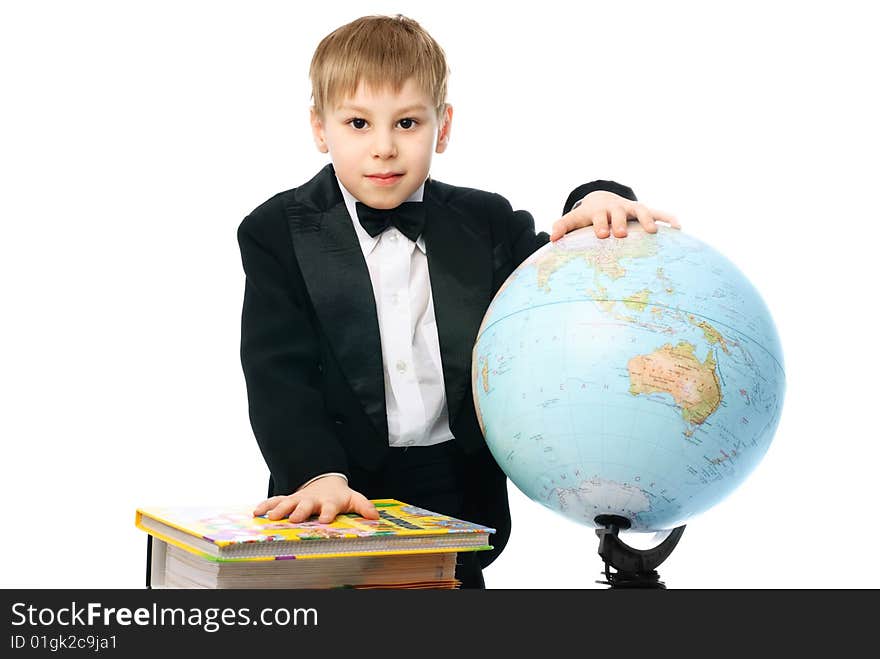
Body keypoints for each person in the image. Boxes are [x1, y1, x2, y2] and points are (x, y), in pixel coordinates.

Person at [237, 14, 679, 589]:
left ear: (442, 127)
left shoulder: (486, 222)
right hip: (337, 486)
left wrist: (600, 198)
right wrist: (315, 473)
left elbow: (556, 280)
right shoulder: (277, 230)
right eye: (358, 123)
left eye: (407, 122)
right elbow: (276, 373)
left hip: (454, 485)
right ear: (320, 129)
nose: (384, 147)